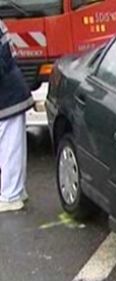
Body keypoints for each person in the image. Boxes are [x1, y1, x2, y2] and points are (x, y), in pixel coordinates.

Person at [0, 18, 33, 213]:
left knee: (9, 148)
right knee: (11, 147)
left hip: (7, 97)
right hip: (10, 94)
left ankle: (11, 195)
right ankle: (16, 191)